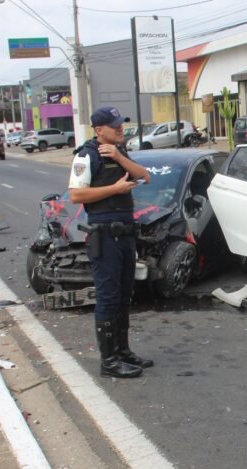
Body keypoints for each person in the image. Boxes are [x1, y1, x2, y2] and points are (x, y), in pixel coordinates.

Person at [68, 107, 152, 379]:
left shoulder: (119, 151)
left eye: (121, 124)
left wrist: (118, 156)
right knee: (108, 297)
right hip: (104, 236)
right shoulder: (85, 155)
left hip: (125, 234)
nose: (120, 129)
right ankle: (109, 360)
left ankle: (123, 350)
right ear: (98, 129)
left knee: (124, 295)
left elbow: (144, 175)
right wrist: (115, 189)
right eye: (114, 126)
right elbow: (76, 196)